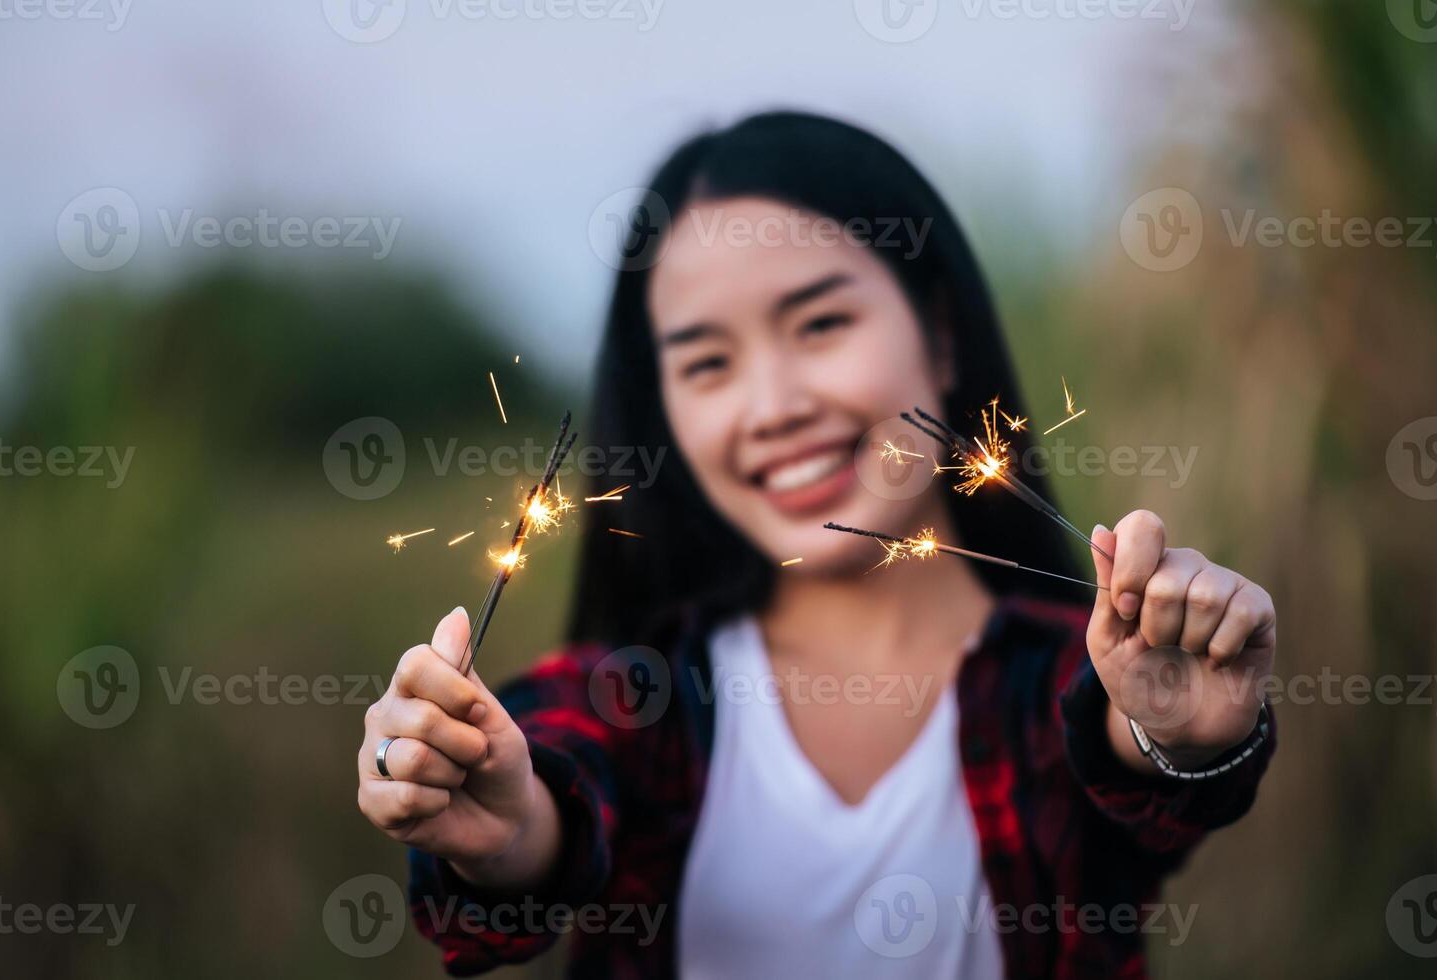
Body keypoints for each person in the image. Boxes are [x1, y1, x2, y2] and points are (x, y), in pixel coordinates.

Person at [356, 111, 1277, 978]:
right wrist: (505, 830)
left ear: (941, 334)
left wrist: (1169, 729)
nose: (774, 407)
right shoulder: (640, 696)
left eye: (821, 323)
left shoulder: (1064, 679)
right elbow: (553, 798)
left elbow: (1123, 765)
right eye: (707, 362)